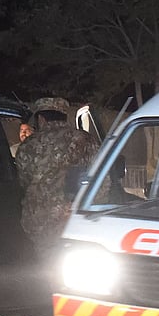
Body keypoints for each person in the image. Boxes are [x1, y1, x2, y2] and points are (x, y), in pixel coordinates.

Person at [15, 97, 99, 256]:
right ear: (64, 116)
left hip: (40, 220)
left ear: (41, 119)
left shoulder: (29, 144)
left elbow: (23, 180)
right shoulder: (85, 140)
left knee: (43, 261)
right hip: (76, 217)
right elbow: (100, 177)